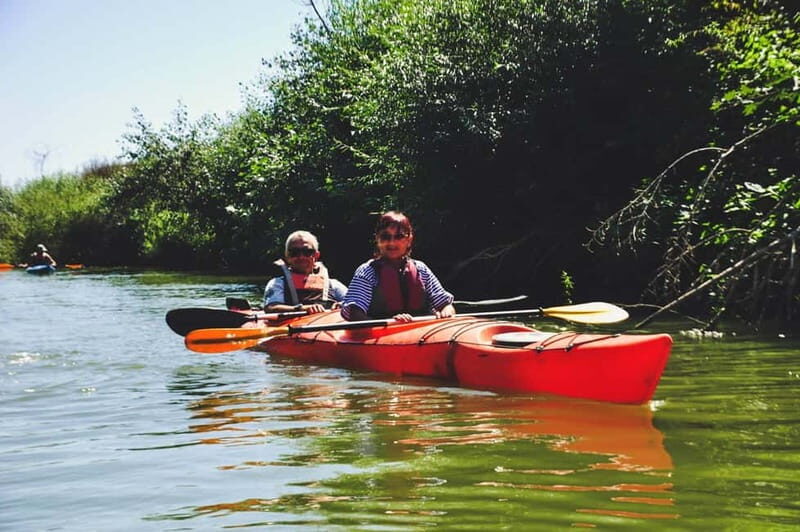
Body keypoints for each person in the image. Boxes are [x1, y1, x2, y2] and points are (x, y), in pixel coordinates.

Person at [341, 211, 456, 322]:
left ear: (409, 240)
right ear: (377, 239)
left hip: (421, 332)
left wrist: (447, 312)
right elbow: (354, 313)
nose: (392, 243)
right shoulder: (367, 271)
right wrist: (389, 325)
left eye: (399, 236)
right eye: (385, 237)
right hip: (381, 334)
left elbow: (445, 304)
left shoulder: (421, 269)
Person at [263, 230, 347, 314]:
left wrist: (341, 304)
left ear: (316, 255)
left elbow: (355, 302)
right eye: (294, 252)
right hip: (293, 324)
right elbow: (271, 307)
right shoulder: (277, 284)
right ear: (287, 256)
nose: (301, 257)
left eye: (307, 252)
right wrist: (303, 308)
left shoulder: (333, 285)